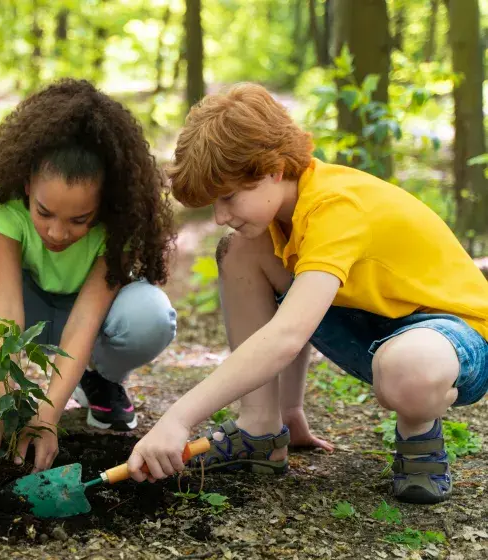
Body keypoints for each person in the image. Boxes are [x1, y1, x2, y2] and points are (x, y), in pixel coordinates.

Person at [127, 83, 488, 504]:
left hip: (455, 339)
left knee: (407, 368)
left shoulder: (334, 207)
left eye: (228, 197)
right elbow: (296, 310)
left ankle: (418, 433)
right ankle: (261, 426)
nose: (221, 215)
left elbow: (287, 335)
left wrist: (178, 419)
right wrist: (290, 409)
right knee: (241, 250)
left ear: (275, 169)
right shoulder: (283, 214)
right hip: (376, 325)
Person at [0, 79, 178, 487]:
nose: (57, 233)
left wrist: (47, 416)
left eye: (79, 220)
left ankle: (99, 379)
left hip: (88, 326)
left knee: (151, 315)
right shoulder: (6, 202)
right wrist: (7, 401)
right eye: (44, 213)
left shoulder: (121, 222)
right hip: (28, 305)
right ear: (27, 187)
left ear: (105, 204)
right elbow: (4, 304)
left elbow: (85, 319)